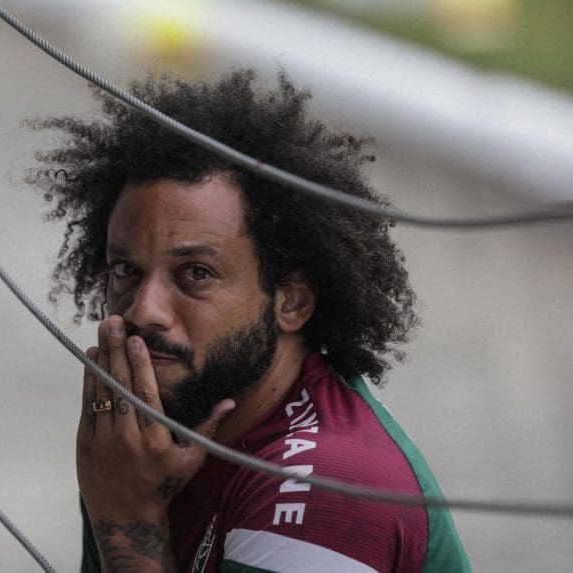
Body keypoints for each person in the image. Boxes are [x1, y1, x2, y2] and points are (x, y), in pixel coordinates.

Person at [28, 70, 470, 572]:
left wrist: (128, 528)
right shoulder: (143, 448)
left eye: (195, 273)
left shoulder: (329, 491)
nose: (142, 310)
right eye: (127, 270)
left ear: (291, 302)